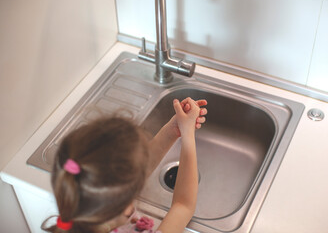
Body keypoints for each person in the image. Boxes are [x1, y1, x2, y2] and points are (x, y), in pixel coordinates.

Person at [41, 97, 208, 233]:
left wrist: (172, 131)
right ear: (126, 207)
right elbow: (183, 205)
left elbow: (133, 170)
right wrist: (188, 135)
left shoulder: (75, 217)